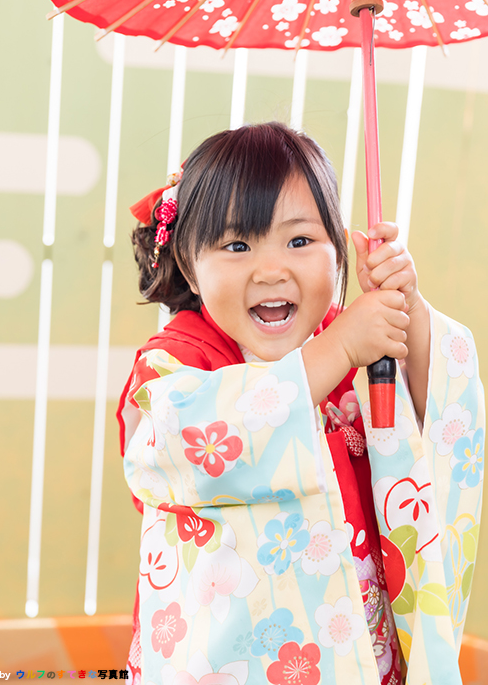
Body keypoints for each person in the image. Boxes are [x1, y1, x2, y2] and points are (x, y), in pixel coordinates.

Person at [117, 123, 484, 685]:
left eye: (299, 241)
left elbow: (438, 411)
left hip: (356, 646)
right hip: (231, 660)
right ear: (189, 265)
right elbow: (185, 445)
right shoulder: (178, 361)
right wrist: (338, 350)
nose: (272, 270)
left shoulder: (345, 339)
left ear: (338, 252)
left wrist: (407, 308)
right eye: (237, 246)